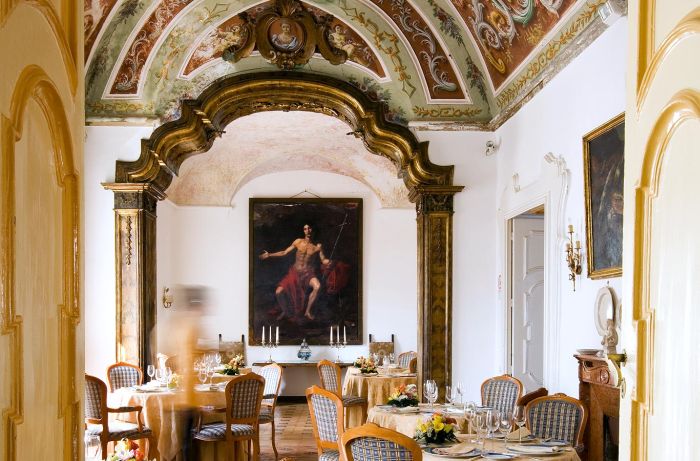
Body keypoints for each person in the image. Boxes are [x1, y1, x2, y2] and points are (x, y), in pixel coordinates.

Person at [259, 223, 329, 320]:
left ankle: (307, 311)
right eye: (305, 229)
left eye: (309, 228)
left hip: (308, 273)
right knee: (278, 292)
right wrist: (269, 255)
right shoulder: (298, 241)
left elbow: (323, 260)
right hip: (295, 273)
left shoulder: (317, 247)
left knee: (317, 286)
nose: (307, 230)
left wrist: (330, 262)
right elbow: (284, 252)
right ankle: (286, 311)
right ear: (303, 231)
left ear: (312, 230)